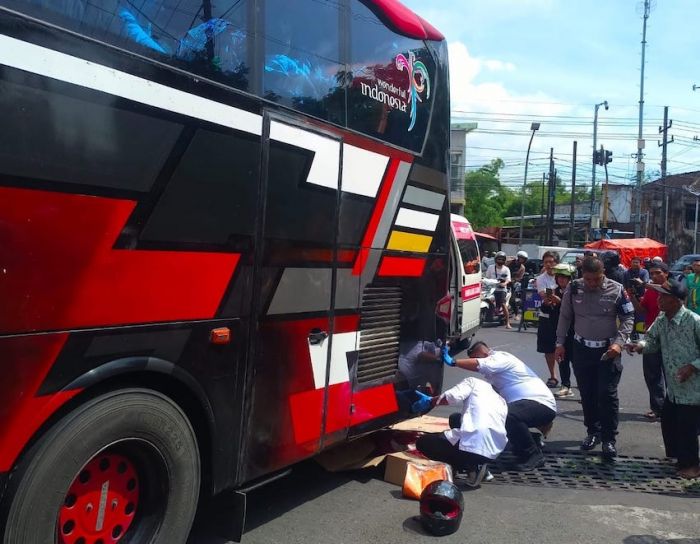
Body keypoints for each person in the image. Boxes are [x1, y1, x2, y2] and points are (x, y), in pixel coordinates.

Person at [554, 256, 635, 458]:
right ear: (583, 276)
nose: (591, 283)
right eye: (588, 279)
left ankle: (609, 439)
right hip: (581, 348)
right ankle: (593, 432)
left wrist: (619, 343)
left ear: (603, 275)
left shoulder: (616, 289)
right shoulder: (574, 288)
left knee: (606, 395)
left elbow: (628, 318)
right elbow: (565, 316)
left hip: (608, 350)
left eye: (596, 279)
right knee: (587, 394)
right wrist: (559, 343)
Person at [442, 342, 556, 471]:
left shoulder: (501, 357)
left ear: (485, 354)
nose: (474, 362)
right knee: (463, 419)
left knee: (508, 416)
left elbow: (482, 364)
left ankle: (533, 455)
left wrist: (453, 362)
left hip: (540, 403)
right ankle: (530, 439)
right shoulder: (494, 376)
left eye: (476, 358)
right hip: (524, 406)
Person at [628, 276, 700, 479]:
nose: (659, 299)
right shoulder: (661, 320)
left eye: (664, 296)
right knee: (668, 421)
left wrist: (692, 367)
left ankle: (692, 466)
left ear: (677, 300)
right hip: (675, 387)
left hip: (693, 388)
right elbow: (651, 340)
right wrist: (639, 346)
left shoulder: (694, 322)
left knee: (687, 428)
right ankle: (679, 459)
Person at [414, 376, 508, 486]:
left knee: (424, 442)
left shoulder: (473, 382)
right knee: (455, 418)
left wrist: (430, 401)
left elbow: (451, 397)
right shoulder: (502, 401)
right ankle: (480, 466)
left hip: (475, 442)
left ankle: (470, 466)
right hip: (494, 449)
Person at [626, 262, 669, 420]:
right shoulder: (650, 292)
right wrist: (632, 296)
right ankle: (658, 408)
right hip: (651, 336)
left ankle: (674, 408)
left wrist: (645, 284)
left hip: (670, 337)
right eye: (652, 273)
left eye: (658, 273)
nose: (655, 276)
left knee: (671, 374)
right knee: (652, 374)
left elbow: (664, 290)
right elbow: (641, 310)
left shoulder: (671, 288)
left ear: (666, 273)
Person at [549, 263, 577, 398]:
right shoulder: (555, 291)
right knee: (562, 359)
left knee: (577, 361)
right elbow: (547, 311)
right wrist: (548, 303)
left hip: (574, 331)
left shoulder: (576, 292)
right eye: (559, 277)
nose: (561, 279)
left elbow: (573, 312)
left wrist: (560, 302)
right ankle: (565, 386)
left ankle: (585, 389)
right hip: (559, 332)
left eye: (565, 277)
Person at [535, 251, 560, 387]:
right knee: (548, 349)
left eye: (551, 262)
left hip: (563, 316)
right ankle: (553, 376)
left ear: (557, 263)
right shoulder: (540, 279)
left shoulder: (564, 276)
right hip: (547, 316)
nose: (549, 265)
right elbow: (544, 296)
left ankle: (568, 380)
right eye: (546, 262)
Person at [485, 251, 512, 329]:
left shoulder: (506, 269)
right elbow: (487, 278)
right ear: (496, 259)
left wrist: (504, 284)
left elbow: (508, 279)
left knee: (503, 304)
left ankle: (508, 323)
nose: (500, 261)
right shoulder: (490, 267)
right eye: (499, 259)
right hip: (491, 289)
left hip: (501, 289)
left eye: (502, 259)